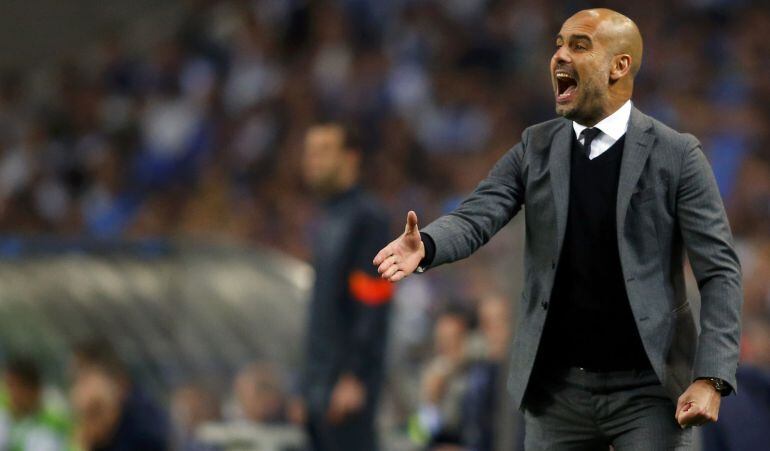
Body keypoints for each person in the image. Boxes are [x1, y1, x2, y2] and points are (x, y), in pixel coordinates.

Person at [374, 8, 742, 450]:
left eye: (579, 45)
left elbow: (719, 271)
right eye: (558, 45)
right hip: (559, 393)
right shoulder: (537, 145)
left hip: (650, 389)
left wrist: (711, 377)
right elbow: (478, 214)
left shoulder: (677, 155)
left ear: (619, 66)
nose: (560, 55)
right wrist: (429, 245)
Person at [299, 122, 394, 451]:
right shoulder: (329, 217)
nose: (312, 160)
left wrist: (355, 375)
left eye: (323, 151)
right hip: (320, 383)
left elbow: (373, 301)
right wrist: (306, 385)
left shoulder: (367, 218)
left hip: (344, 385)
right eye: (309, 152)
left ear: (351, 157)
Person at [70, 340, 170, 451]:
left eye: (84, 379)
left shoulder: (144, 426)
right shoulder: (100, 437)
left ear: (118, 383)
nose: (76, 392)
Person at [0, 357, 70, 451]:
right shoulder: (6, 414)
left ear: (34, 390)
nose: (10, 394)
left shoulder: (52, 423)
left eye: (15, 387)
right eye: (8, 386)